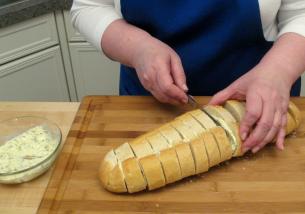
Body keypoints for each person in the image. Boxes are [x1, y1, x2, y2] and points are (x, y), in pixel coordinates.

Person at [70, 0, 305, 154]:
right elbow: (89, 6)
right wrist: (138, 49)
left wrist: (279, 70)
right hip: (147, 107)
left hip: (259, 111)